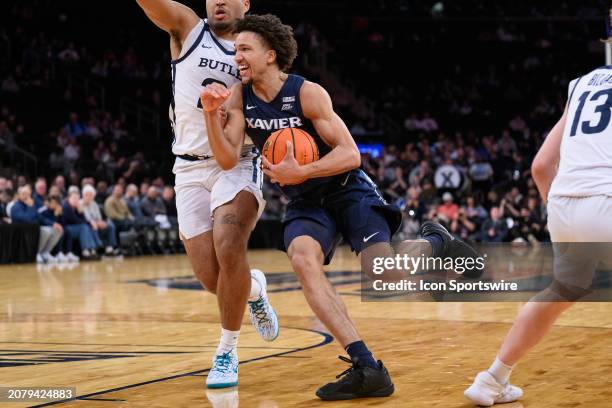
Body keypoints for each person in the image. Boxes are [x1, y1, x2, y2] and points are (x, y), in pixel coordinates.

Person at [200, 14, 480, 400]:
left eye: (245, 49)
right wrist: (208, 116)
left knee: (383, 274)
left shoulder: (307, 93)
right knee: (302, 258)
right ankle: (367, 366)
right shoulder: (238, 98)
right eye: (236, 50)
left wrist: (303, 171)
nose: (238, 57)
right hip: (305, 201)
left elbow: (351, 155)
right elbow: (229, 159)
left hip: (347, 190)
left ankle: (437, 242)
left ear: (270, 55)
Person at [135, 0, 278, 389]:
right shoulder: (189, 29)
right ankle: (257, 288)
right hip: (189, 167)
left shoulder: (255, 49)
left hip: (237, 159)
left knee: (230, 244)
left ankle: (226, 353)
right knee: (212, 278)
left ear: (244, 3)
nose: (218, 1)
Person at [464, 65, 612, 405]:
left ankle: (492, 379)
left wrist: (565, 214)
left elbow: (541, 166)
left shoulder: (581, 84)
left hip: (564, 204)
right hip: (606, 199)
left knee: (562, 289)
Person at [11, 185, 63, 264]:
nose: (26, 196)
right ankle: (37, 253)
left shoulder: (30, 205)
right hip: (22, 232)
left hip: (34, 229)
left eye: (28, 194)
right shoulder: (16, 207)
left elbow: (40, 218)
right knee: (46, 231)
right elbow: (27, 219)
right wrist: (31, 207)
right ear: (19, 195)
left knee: (57, 230)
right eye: (24, 194)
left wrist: (53, 223)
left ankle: (45, 252)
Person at [81, 185, 120, 256]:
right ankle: (94, 249)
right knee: (92, 227)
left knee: (110, 225)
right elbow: (86, 217)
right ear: (84, 195)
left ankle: (110, 247)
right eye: (87, 195)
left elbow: (98, 216)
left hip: (96, 222)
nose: (89, 197)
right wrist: (95, 222)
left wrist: (100, 222)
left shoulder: (94, 204)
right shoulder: (81, 204)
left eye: (91, 195)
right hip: (87, 223)